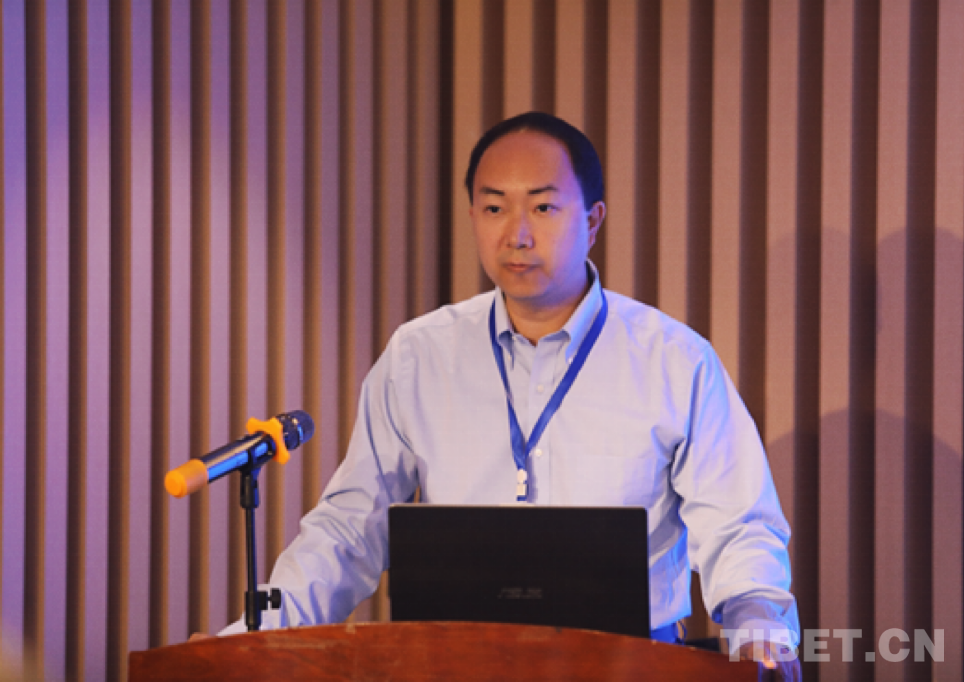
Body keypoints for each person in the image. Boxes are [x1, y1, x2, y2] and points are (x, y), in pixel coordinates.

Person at [214, 112, 801, 679]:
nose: (517, 235)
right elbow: (350, 527)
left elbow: (738, 525)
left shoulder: (673, 359)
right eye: (494, 208)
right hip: (453, 666)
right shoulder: (420, 355)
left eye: (543, 207)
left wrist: (759, 626)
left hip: (629, 665)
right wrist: (251, 638)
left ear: (592, 220)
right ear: (473, 215)